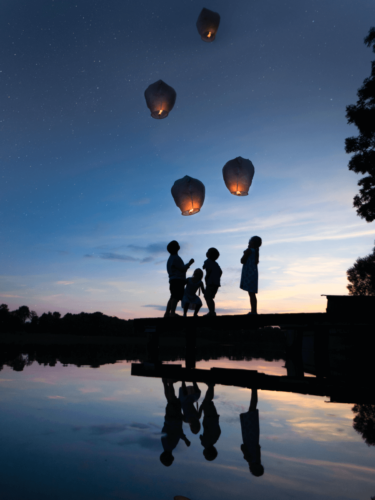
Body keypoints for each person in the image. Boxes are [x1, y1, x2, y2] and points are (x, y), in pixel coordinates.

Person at [160, 379, 191, 467]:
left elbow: (177, 433)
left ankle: (169, 382)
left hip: (173, 419)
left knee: (173, 400)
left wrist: (185, 440)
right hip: (169, 420)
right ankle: (165, 382)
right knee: (170, 400)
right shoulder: (165, 446)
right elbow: (164, 432)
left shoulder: (169, 446)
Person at [165, 241, 194, 317]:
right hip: (177, 281)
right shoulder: (176, 258)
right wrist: (189, 264)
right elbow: (182, 268)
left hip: (173, 280)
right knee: (176, 297)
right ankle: (172, 313)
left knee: (173, 296)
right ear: (176, 248)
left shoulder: (171, 259)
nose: (179, 245)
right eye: (177, 245)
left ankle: (167, 313)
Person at [239, 387, 264, 477]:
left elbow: (258, 447)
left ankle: (254, 389)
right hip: (249, 434)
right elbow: (242, 447)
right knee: (252, 408)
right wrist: (245, 455)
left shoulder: (257, 458)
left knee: (252, 408)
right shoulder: (250, 459)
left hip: (254, 435)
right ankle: (254, 388)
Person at [198, 383, 221, 461]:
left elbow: (219, 431)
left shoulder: (214, 440)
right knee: (207, 401)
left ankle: (210, 386)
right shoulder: (205, 443)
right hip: (209, 418)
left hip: (214, 418)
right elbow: (201, 437)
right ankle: (211, 385)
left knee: (208, 401)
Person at [240, 236, 262, 314]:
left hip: (248, 273)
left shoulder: (249, 251)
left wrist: (245, 253)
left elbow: (242, 260)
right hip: (253, 273)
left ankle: (253, 311)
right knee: (252, 293)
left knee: (251, 293)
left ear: (252, 243)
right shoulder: (256, 252)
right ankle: (254, 311)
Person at [203, 248, 222, 317]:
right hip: (216, 283)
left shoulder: (207, 261)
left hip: (210, 282)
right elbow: (220, 272)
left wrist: (206, 278)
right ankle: (212, 312)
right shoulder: (216, 264)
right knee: (210, 297)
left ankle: (211, 312)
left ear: (208, 254)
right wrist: (217, 277)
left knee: (207, 297)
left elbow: (209, 270)